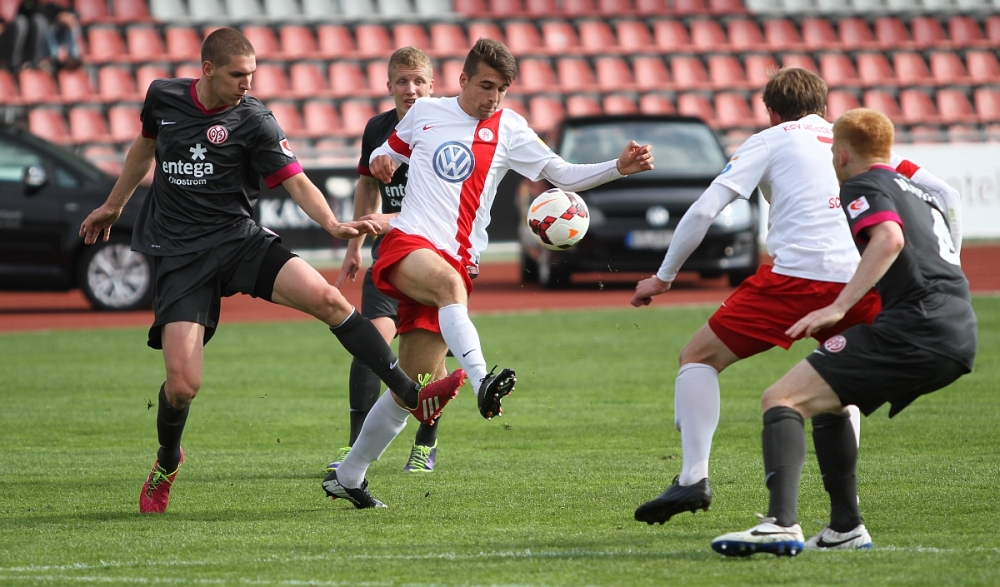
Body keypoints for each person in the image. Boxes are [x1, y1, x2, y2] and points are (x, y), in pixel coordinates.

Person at [78, 28, 464, 514]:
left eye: (253, 74)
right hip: (180, 255)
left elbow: (296, 182)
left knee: (330, 300)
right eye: (238, 75)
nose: (248, 83)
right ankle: (168, 460)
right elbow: (143, 148)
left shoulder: (255, 119)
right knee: (181, 387)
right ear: (208, 70)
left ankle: (409, 393)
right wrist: (115, 204)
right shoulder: (163, 97)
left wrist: (332, 225)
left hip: (238, 241)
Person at [321, 38, 655, 508]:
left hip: (457, 260)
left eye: (501, 89)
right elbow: (388, 154)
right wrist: (382, 158)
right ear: (462, 80)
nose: (492, 98)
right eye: (484, 86)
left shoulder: (510, 128)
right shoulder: (425, 113)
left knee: (412, 387)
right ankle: (482, 382)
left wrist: (617, 168)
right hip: (409, 242)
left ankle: (349, 475)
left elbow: (561, 173)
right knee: (447, 287)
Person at [629, 68, 963, 535]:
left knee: (699, 357)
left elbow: (705, 209)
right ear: (825, 107)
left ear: (770, 111)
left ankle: (692, 478)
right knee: (837, 387)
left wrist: (662, 278)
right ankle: (846, 510)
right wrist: (954, 263)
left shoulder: (769, 140)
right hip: (860, 284)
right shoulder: (851, 142)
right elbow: (947, 194)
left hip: (793, 282)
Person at [710, 108, 975, 557]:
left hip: (915, 328)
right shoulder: (915, 188)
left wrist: (838, 306)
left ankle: (780, 524)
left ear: (844, 154)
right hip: (957, 329)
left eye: (834, 150)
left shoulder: (861, 183)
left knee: (781, 398)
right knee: (828, 401)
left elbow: (888, 238)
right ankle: (844, 528)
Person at [327, 46, 446, 474]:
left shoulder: (444, 130)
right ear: (389, 85)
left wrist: (390, 219)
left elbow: (443, 207)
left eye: (418, 81)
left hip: (435, 261)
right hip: (389, 258)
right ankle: (354, 445)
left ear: (432, 85)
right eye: (402, 81)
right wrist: (355, 246)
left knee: (427, 365)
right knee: (370, 347)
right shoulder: (377, 128)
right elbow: (366, 184)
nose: (410, 89)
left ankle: (426, 443)